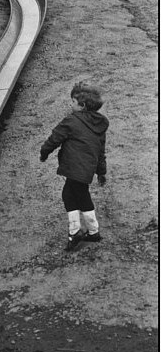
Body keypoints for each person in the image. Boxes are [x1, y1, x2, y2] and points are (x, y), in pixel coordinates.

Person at [40, 81, 108, 252]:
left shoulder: (71, 121)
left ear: (82, 105)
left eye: (72, 102)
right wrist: (101, 172)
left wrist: (44, 152)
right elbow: (101, 151)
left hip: (73, 167)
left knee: (75, 196)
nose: (70, 105)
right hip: (86, 169)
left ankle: (83, 232)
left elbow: (55, 138)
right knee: (73, 194)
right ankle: (87, 231)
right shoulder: (99, 125)